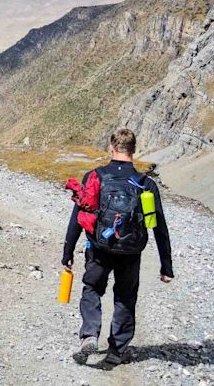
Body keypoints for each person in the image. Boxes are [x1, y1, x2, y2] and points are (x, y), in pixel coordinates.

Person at [61, 127, 174, 366]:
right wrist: (166, 266)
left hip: (99, 248)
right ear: (134, 150)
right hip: (131, 252)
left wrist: (68, 252)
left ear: (111, 148)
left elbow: (78, 217)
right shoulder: (146, 184)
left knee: (92, 288)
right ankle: (117, 350)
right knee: (125, 297)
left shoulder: (95, 176)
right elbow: (159, 227)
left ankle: (90, 335)